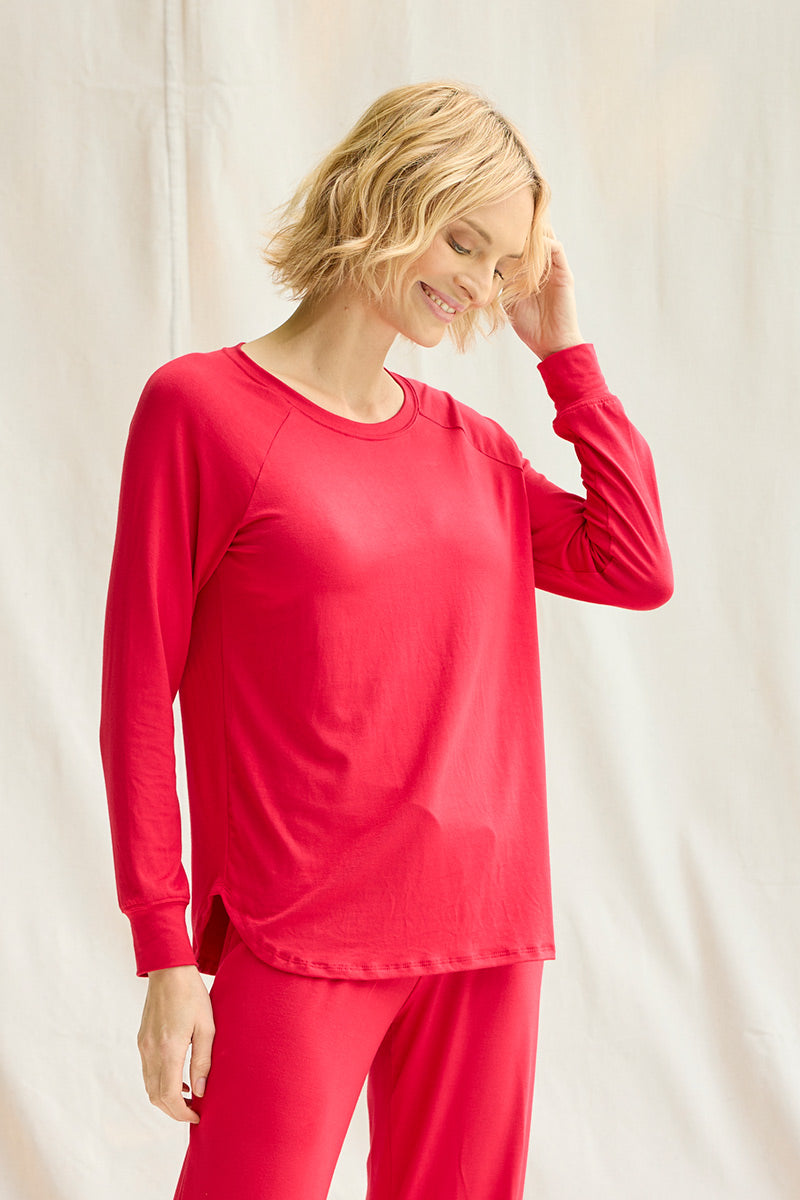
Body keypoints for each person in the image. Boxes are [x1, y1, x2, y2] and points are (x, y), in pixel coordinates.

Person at [99, 79, 673, 1200]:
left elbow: (634, 563)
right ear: (385, 193)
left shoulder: (472, 446)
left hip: (485, 931)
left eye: (500, 265)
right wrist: (165, 953)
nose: (478, 286)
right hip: (294, 930)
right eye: (462, 241)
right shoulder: (202, 410)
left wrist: (564, 353)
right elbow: (134, 697)